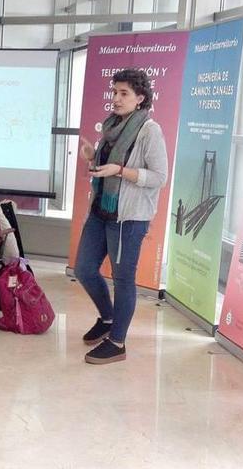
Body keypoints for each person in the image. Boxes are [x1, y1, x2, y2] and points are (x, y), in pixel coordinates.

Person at [75, 68, 168, 365]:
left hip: (129, 218)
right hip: (101, 210)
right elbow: (106, 165)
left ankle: (117, 342)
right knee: (85, 269)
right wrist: (93, 156)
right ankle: (107, 317)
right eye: (114, 92)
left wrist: (121, 172)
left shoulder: (149, 130)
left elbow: (159, 176)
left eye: (123, 93)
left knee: (123, 278)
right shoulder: (113, 125)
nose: (115, 98)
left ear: (140, 98)